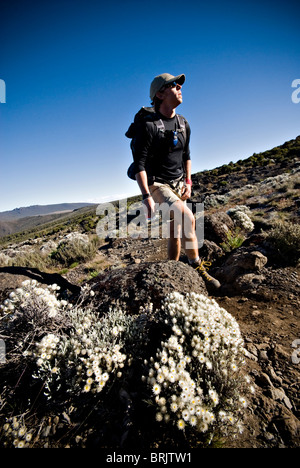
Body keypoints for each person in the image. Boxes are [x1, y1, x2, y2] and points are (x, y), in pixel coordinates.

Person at [131, 72, 220, 291]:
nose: (180, 87)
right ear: (160, 94)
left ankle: (173, 270)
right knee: (186, 216)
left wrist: (188, 182)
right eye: (173, 84)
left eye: (180, 84)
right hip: (157, 184)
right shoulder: (148, 126)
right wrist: (146, 196)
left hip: (179, 182)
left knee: (174, 231)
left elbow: (186, 155)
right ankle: (196, 266)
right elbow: (139, 165)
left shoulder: (183, 123)